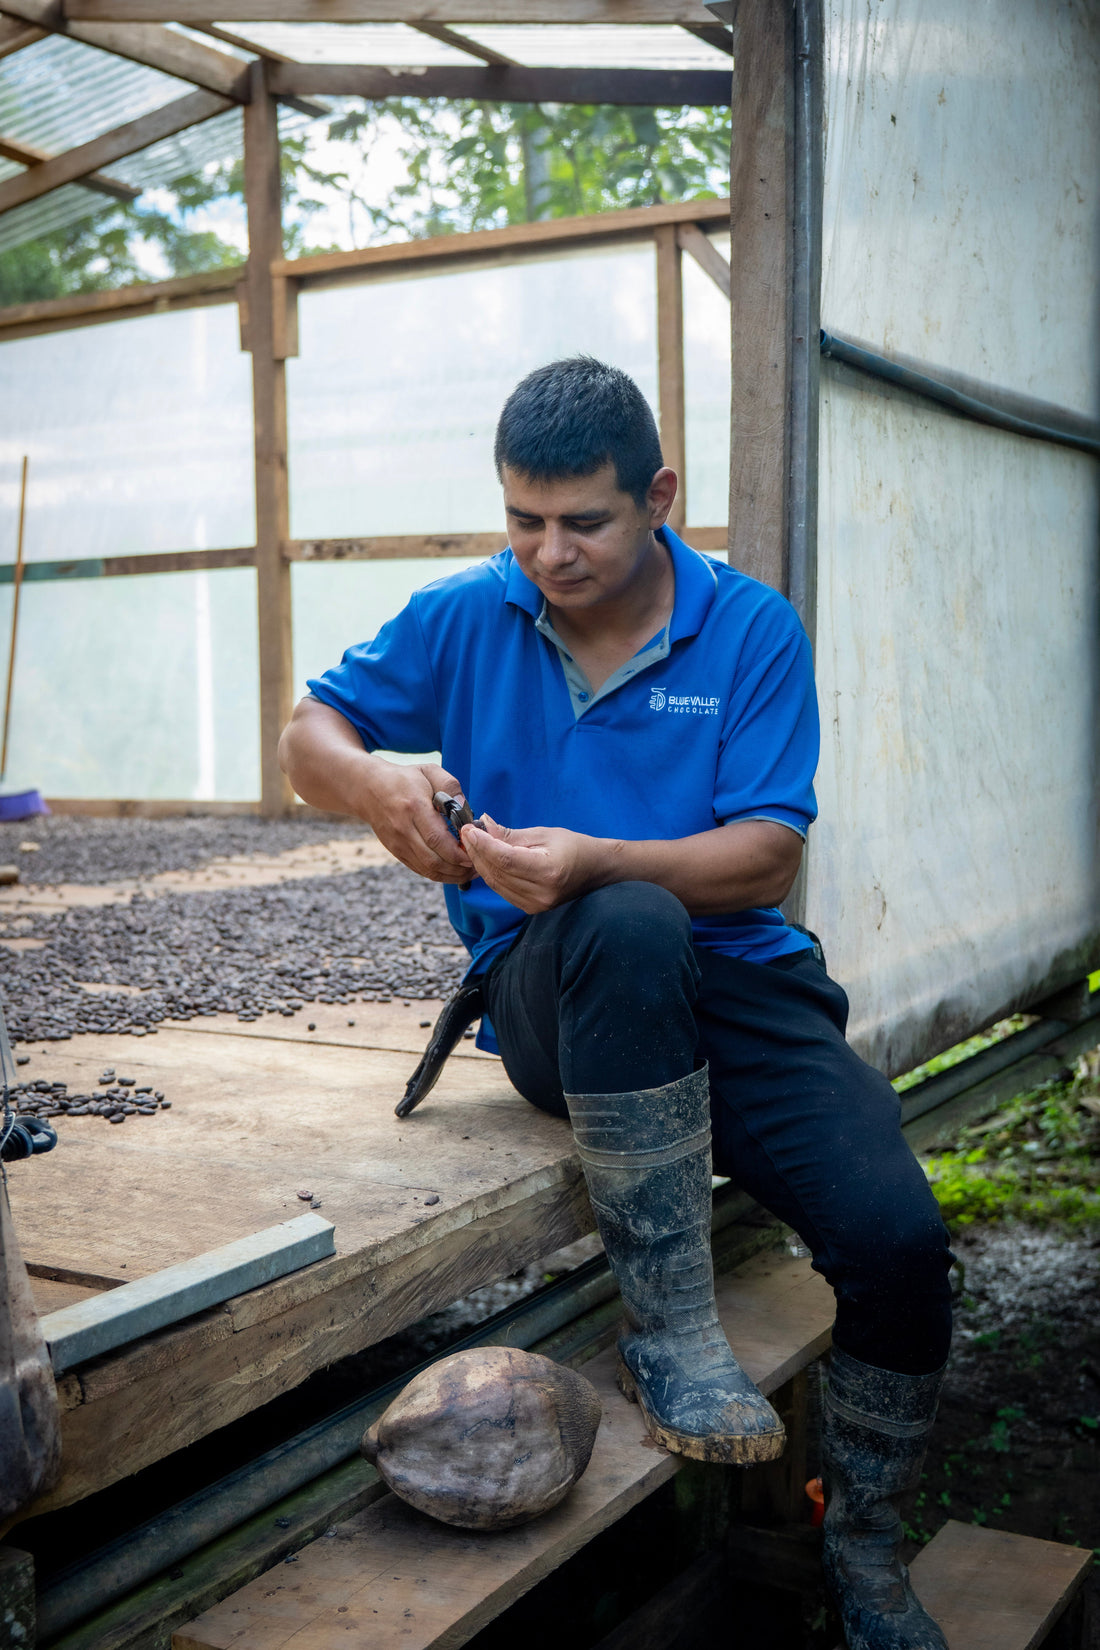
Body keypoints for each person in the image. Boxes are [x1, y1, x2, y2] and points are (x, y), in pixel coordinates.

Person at [279, 357, 954, 1650]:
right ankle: (672, 1330)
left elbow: (765, 857)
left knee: (899, 1239)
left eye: (581, 521)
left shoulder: (750, 628)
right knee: (625, 924)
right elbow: (308, 730)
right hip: (556, 990)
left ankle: (863, 1546)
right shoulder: (472, 610)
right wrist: (370, 780)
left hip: (742, 978)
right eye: (522, 520)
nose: (547, 552)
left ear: (659, 496)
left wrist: (597, 855)